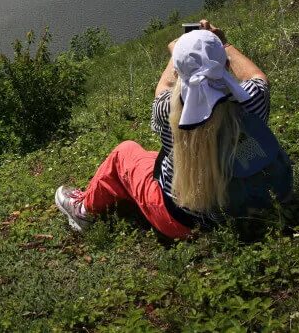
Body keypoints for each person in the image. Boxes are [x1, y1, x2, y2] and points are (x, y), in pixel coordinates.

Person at [54, 19, 271, 237]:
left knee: (125, 153)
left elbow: (164, 87)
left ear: (178, 71)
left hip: (181, 221)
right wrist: (222, 43)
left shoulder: (168, 111)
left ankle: (83, 211)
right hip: (244, 210)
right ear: (224, 63)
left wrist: (178, 52)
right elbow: (257, 77)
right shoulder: (251, 100)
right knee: (147, 159)